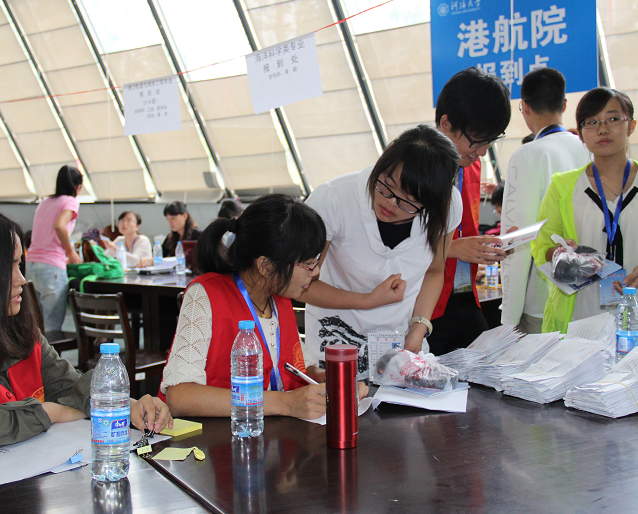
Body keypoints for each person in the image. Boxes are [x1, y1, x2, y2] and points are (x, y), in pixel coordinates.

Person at [0, 204, 171, 452]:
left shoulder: (16, 330)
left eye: (19, 264)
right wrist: (51, 412)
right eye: (7, 268)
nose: (21, 279)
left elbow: (70, 387)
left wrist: (125, 405)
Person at [160, 194, 366, 420]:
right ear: (265, 266)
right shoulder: (205, 295)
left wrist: (330, 380)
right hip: (218, 435)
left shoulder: (279, 297)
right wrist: (285, 403)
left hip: (270, 432)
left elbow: (297, 367)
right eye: (308, 264)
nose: (316, 272)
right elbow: (179, 397)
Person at [531, 87, 638, 341]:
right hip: (578, 319)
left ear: (631, 126)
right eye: (592, 122)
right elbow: (542, 246)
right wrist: (560, 253)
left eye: (613, 119)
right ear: (581, 134)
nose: (602, 129)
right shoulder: (563, 187)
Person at [300, 124, 463, 377]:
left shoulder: (447, 207)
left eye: (409, 201)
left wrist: (418, 328)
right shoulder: (333, 199)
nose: (390, 202)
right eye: (386, 185)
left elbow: (434, 271)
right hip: (336, 347)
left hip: (404, 346)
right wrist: (368, 300)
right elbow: (301, 284)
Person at [427, 67, 512, 354]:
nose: (483, 151)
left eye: (490, 141)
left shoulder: (470, 165)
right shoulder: (413, 169)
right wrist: (454, 248)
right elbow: (392, 245)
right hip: (425, 303)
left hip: (464, 295)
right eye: (476, 140)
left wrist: (490, 246)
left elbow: (466, 229)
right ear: (446, 123)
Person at [501, 68, 591, 334]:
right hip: (590, 292)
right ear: (564, 104)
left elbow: (517, 239)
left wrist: (509, 314)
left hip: (542, 299)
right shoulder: (590, 149)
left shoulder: (527, 155)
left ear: (525, 107)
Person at [26, 166, 84, 333]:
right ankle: (51, 352)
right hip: (51, 268)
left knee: (36, 324)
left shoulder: (44, 202)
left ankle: (37, 352)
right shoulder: (70, 201)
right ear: (78, 187)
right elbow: (59, 226)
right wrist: (70, 252)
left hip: (31, 266)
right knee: (52, 325)